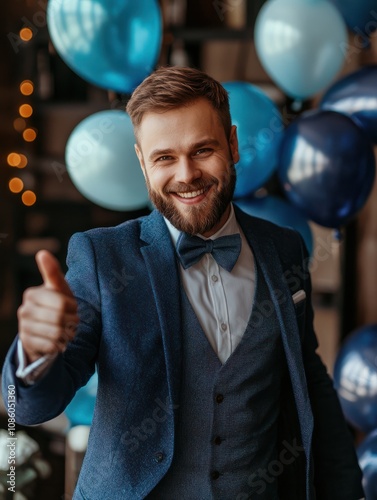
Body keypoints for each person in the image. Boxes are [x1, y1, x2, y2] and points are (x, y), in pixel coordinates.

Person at [2, 66, 364, 500]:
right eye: (164, 157)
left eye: (203, 150)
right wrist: (35, 355)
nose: (186, 174)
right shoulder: (103, 258)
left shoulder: (283, 248)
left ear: (232, 144)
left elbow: (309, 382)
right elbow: (24, 408)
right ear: (141, 162)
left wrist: (347, 489)